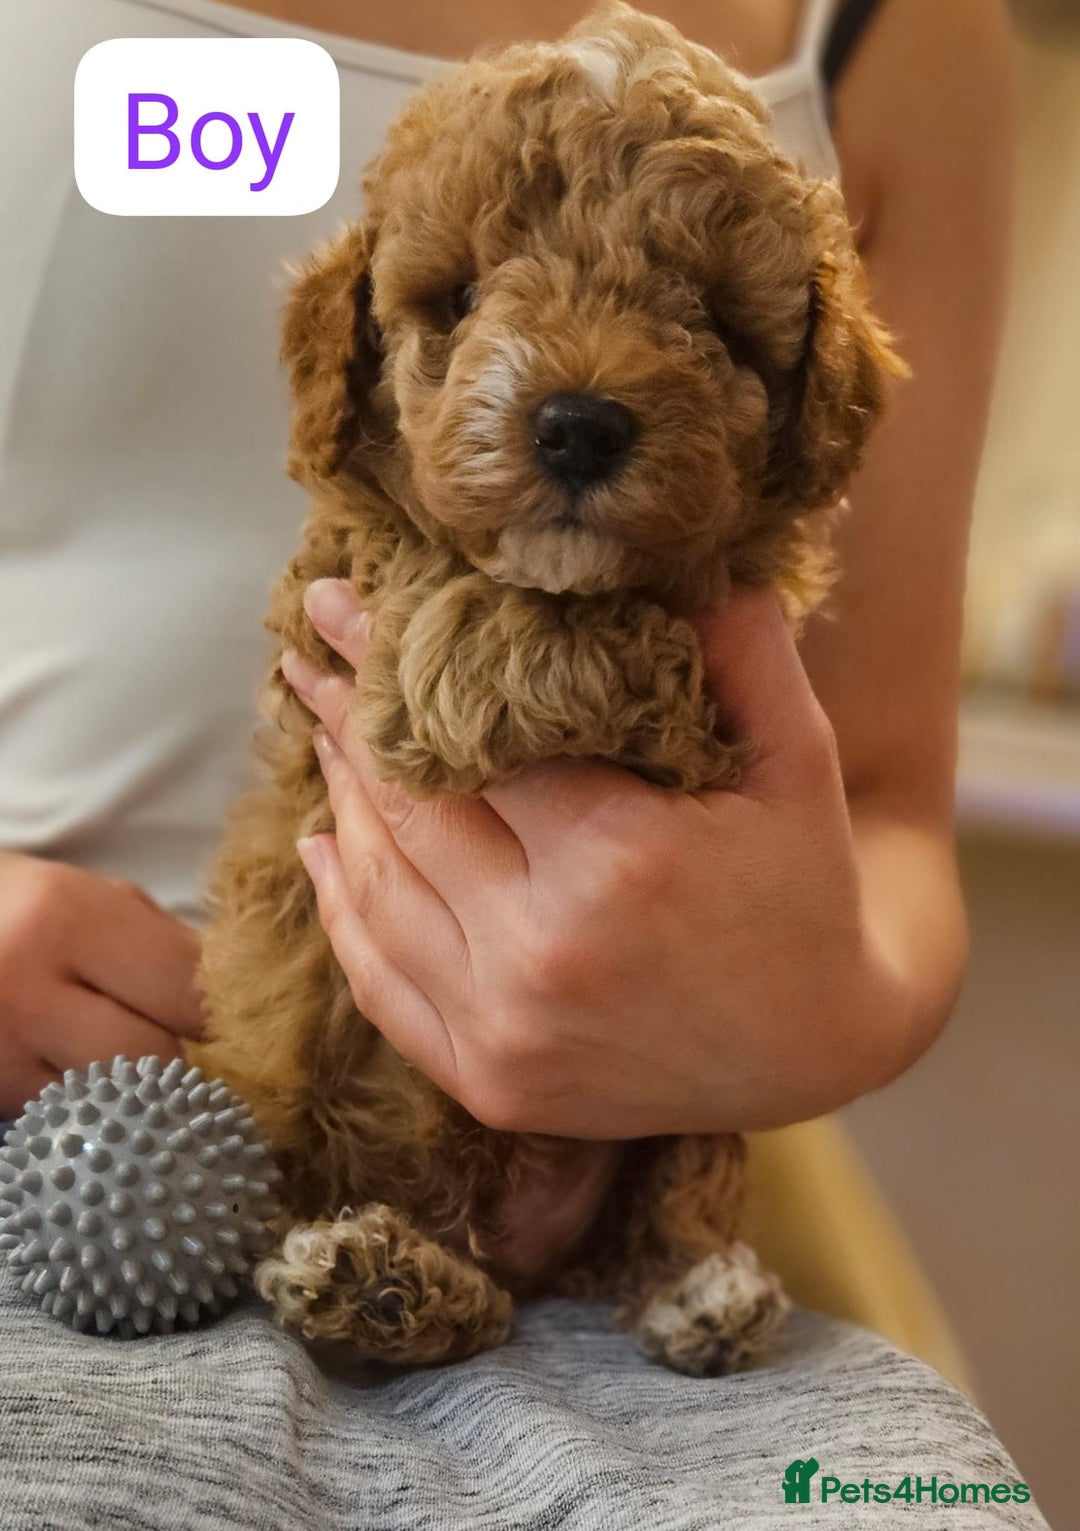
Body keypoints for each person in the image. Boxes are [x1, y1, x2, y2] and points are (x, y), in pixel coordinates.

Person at [4, 6, 1046, 1530]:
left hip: (633, 1180)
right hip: (81, 1138)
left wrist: (817, 1001)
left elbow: (888, 805)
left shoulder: (907, 30)